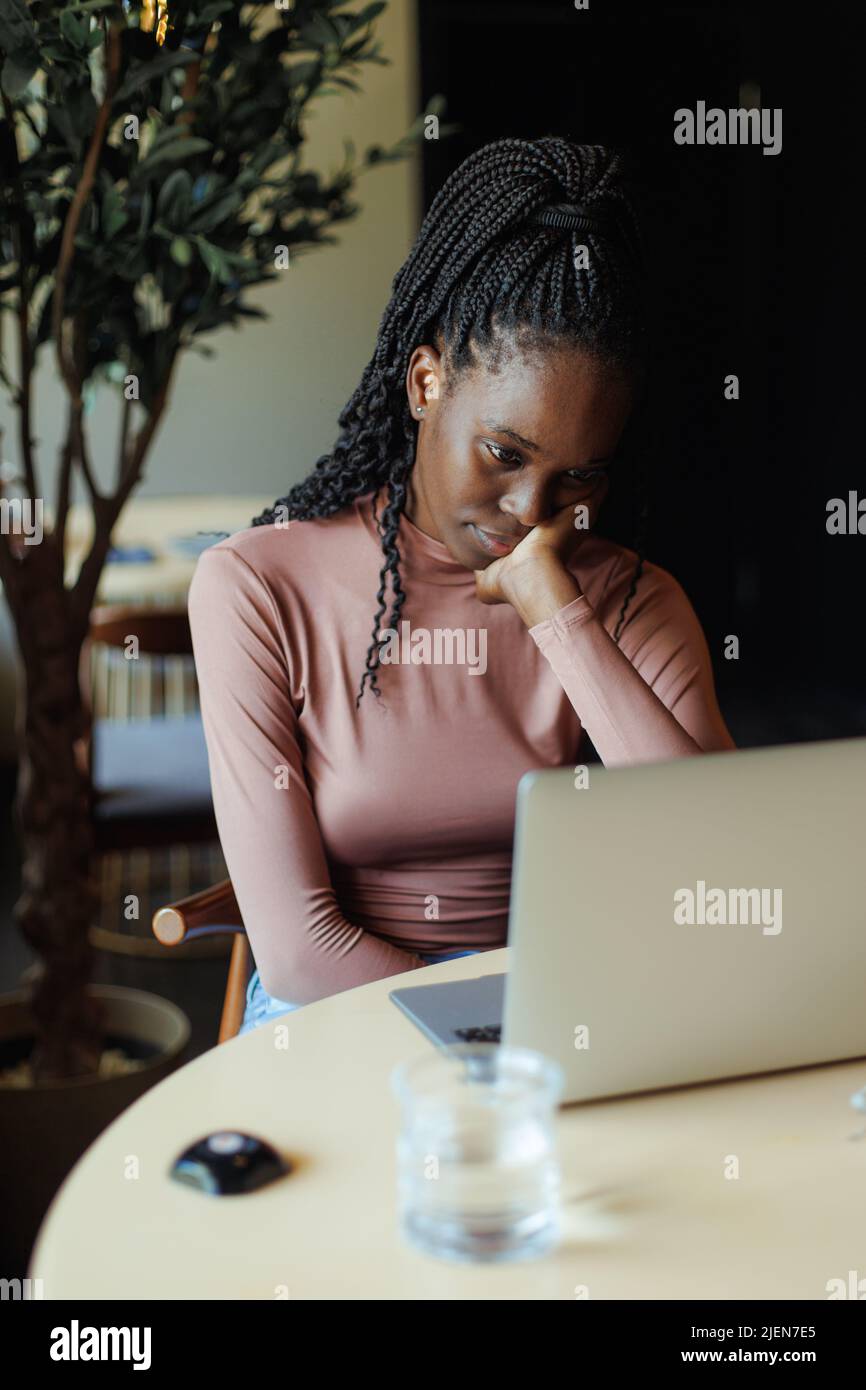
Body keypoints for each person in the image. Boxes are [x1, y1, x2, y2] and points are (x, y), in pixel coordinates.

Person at [187, 137, 735, 1036]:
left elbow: (718, 865)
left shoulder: (630, 600)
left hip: (563, 1016)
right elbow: (299, 950)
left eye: (580, 478)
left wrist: (558, 613)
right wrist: (497, 1028)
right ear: (425, 380)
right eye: (504, 454)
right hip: (346, 1016)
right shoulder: (255, 585)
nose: (532, 509)